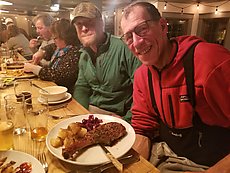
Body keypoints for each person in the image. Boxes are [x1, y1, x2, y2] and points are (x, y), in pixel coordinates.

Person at [120, 1, 230, 173]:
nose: (137, 42)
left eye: (142, 29)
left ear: (163, 26)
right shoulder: (142, 75)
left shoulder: (210, 61)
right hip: (166, 154)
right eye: (128, 37)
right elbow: (143, 128)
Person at [71, 2, 141, 122]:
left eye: (89, 22)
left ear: (101, 23)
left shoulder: (124, 48)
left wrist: (127, 120)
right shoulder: (84, 54)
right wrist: (80, 113)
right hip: (92, 112)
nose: (84, 28)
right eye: (79, 24)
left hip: (118, 116)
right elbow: (82, 86)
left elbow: (142, 91)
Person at [24, 18, 81, 94]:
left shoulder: (75, 51)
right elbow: (51, 47)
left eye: (55, 37)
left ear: (65, 36)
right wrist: (42, 51)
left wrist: (35, 69)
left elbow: (60, 76)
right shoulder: (61, 48)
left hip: (64, 93)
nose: (53, 39)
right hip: (53, 89)